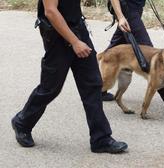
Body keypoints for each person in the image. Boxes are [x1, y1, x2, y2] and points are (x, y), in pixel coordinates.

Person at [11, 0, 127, 154]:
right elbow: (50, 11)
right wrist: (74, 42)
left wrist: (120, 16)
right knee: (50, 88)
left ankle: (101, 139)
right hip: (57, 36)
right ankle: (22, 122)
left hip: (78, 28)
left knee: (92, 84)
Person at [102, 0, 164, 112]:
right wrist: (121, 16)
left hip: (135, 9)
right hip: (128, 10)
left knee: (113, 53)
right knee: (149, 54)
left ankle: (96, 84)